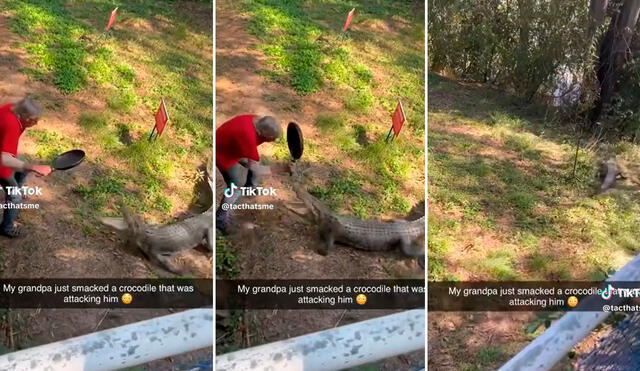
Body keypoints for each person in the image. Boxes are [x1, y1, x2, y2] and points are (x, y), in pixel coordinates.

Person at [215, 115, 282, 231]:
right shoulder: (248, 137)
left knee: (256, 160)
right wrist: (282, 168)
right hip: (222, 153)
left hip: (231, 144)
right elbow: (258, 170)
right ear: (263, 134)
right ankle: (220, 218)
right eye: (271, 138)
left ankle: (250, 187)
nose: (273, 141)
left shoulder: (255, 120)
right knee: (236, 187)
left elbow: (252, 159)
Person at [0, 97, 52, 238]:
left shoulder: (11, 108)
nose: (35, 124)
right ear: (21, 115)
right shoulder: (11, 125)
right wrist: (34, 166)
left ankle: (17, 187)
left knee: (22, 170)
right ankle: (7, 228)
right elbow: (4, 159)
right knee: (15, 197)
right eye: (32, 120)